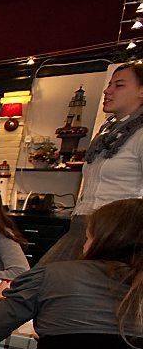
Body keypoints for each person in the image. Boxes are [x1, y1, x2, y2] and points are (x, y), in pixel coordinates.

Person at [0, 198, 143, 349]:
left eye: (87, 238)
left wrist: (1, 299)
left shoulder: (51, 276)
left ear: (104, 240)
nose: (82, 246)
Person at [39, 63, 143, 265]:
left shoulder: (139, 135)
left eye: (119, 85)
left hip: (116, 237)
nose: (107, 90)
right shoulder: (107, 133)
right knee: (42, 285)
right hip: (82, 227)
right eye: (109, 84)